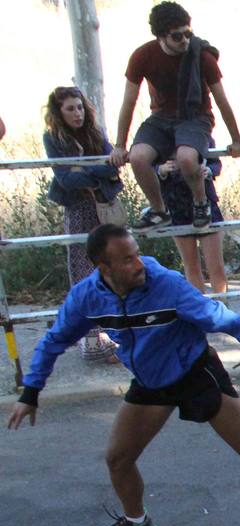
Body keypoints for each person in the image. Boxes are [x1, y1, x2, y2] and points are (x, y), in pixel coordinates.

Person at [7, 224, 240, 526]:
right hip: (150, 383)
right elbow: (54, 340)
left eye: (136, 253)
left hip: (194, 373)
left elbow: (215, 316)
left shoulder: (166, 284)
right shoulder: (87, 297)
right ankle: (137, 521)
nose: (138, 264)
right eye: (128, 259)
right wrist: (31, 392)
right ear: (105, 267)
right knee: (118, 458)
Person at [111, 2, 240, 231]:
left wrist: (237, 140)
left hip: (195, 115)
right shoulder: (142, 56)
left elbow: (222, 100)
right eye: (177, 36)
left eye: (188, 33)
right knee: (138, 157)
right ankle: (159, 211)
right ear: (161, 37)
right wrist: (120, 145)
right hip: (161, 118)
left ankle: (201, 203)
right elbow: (129, 101)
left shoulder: (201, 55)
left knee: (186, 158)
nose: (185, 40)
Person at [43, 86, 124, 363]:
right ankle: (91, 343)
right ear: (59, 112)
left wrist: (84, 169)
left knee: (112, 268)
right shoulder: (53, 138)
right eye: (70, 109)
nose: (77, 113)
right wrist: (96, 170)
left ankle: (116, 337)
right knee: (83, 271)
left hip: (103, 207)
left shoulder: (95, 133)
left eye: (79, 107)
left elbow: (112, 166)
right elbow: (66, 180)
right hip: (78, 208)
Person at [159, 155, 228, 294]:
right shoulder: (161, 138)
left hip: (207, 207)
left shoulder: (199, 134)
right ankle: (199, 310)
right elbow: (148, 165)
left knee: (216, 266)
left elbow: (216, 163)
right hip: (177, 208)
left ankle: (223, 309)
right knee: (191, 266)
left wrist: (209, 170)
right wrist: (161, 170)